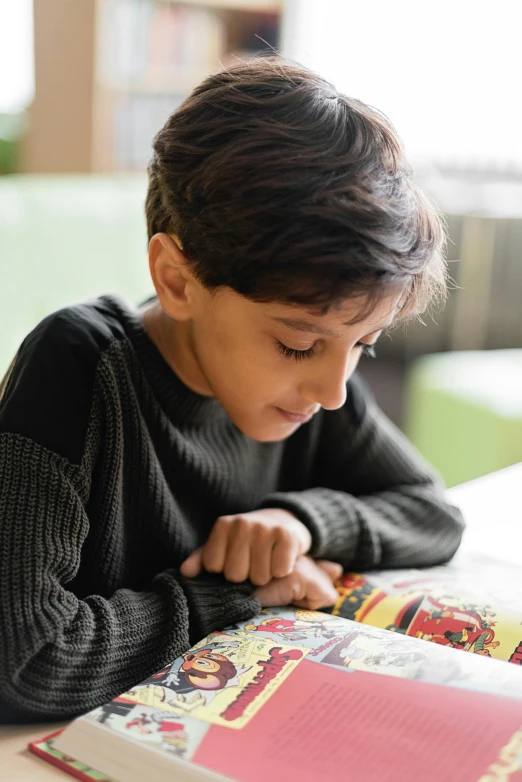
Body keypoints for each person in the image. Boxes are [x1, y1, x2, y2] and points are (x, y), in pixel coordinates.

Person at [0, 58, 464, 722]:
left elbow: (431, 512)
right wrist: (238, 593)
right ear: (178, 280)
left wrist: (301, 522)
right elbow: (23, 659)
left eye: (364, 344)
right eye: (297, 343)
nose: (335, 391)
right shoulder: (78, 367)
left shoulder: (316, 380)